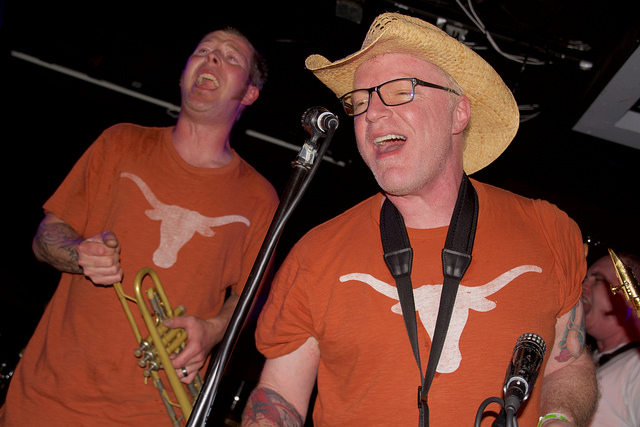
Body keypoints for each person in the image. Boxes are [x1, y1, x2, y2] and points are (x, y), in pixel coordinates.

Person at [241, 13, 597, 427]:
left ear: (458, 113)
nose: (372, 113)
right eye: (360, 101)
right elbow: (279, 394)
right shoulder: (314, 253)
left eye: (399, 91)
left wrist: (557, 420)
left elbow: (568, 364)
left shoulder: (548, 230)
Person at [0, 27, 279, 426]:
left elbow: (250, 297)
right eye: (203, 50)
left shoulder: (260, 198)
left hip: (155, 414)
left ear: (249, 93)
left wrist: (214, 329)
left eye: (230, 56)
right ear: (184, 73)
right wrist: (78, 254)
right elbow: (46, 236)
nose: (212, 57)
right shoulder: (119, 143)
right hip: (47, 402)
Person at [582, 251, 640, 426]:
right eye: (585, 278)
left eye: (598, 279)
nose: (582, 285)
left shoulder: (636, 368)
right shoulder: (581, 361)